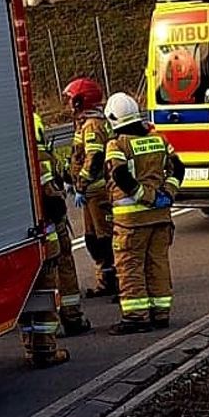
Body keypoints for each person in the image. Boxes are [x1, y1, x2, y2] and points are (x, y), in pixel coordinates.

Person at [103, 92, 183, 334]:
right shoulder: (158, 140)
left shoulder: (117, 145)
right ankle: (160, 314)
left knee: (130, 266)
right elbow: (178, 167)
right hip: (160, 218)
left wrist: (142, 196)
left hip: (131, 223)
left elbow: (118, 174)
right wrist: (167, 193)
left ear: (113, 119)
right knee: (157, 263)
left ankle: (136, 317)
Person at [34, 112, 90, 337]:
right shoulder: (43, 155)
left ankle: (49, 329)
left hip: (37, 229)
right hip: (52, 225)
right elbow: (52, 194)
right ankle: (72, 317)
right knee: (63, 267)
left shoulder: (22, 153)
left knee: (44, 277)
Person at [18, 126, 69, 369]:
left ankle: (30, 347)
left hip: (16, 245)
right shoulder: (37, 161)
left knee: (25, 298)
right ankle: (47, 349)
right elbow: (54, 202)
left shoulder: (5, 160)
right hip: (44, 243)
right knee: (46, 297)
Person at [63, 77, 117, 299]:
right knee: (93, 240)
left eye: (70, 100)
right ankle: (105, 281)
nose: (67, 105)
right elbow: (78, 156)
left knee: (105, 240)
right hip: (89, 193)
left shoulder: (93, 126)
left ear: (80, 101)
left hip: (97, 192)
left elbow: (94, 159)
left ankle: (117, 283)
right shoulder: (84, 124)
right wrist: (69, 177)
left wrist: (81, 184)